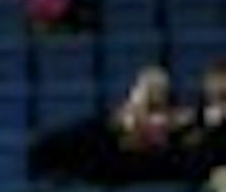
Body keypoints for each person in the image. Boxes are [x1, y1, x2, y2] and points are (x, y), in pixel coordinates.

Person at [32, 65, 193, 184]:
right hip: (110, 159)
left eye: (158, 91)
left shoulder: (177, 120)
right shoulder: (116, 120)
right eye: (147, 91)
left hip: (142, 166)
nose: (152, 96)